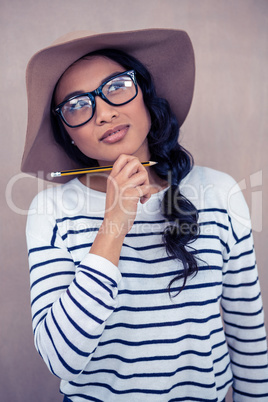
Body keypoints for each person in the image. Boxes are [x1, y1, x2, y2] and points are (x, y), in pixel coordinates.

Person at [21, 29, 268, 401]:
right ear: (68, 134)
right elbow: (61, 359)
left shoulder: (220, 193)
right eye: (76, 106)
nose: (104, 112)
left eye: (117, 86)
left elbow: (247, 334)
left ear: (147, 95)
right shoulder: (51, 212)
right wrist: (113, 225)